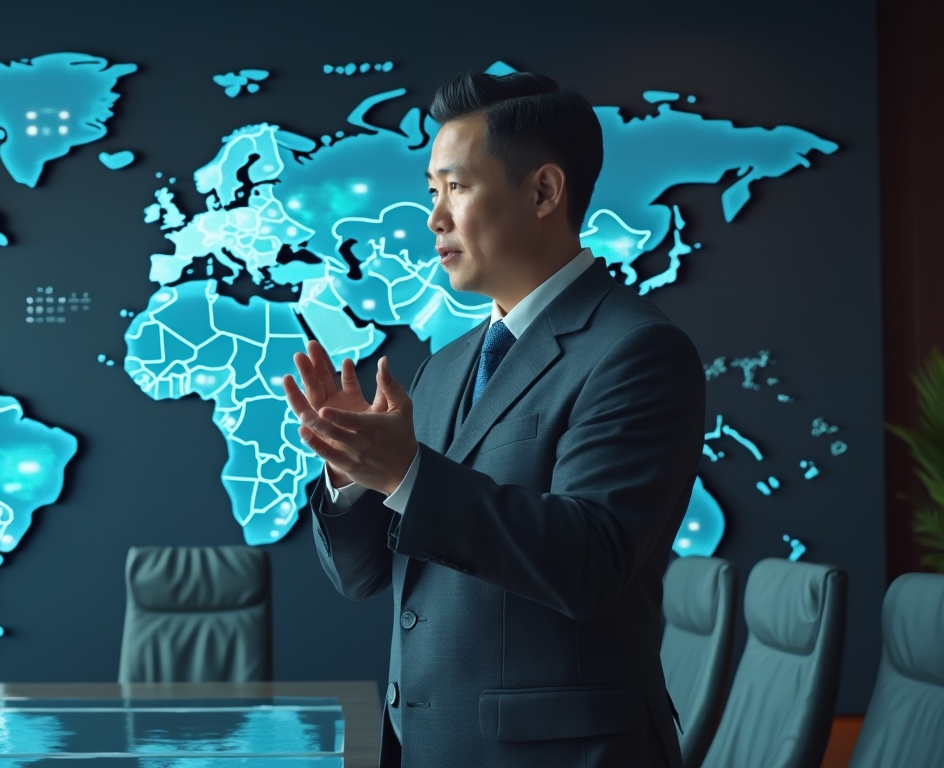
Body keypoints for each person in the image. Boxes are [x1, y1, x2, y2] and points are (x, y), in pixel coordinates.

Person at [283, 71, 705, 767]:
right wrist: (352, 468)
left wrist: (408, 474)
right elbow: (363, 577)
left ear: (543, 191)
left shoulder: (636, 350)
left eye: (458, 187)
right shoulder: (443, 365)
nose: (434, 218)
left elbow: (591, 562)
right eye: (431, 191)